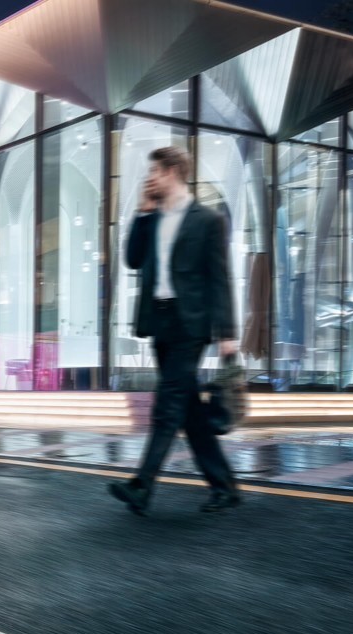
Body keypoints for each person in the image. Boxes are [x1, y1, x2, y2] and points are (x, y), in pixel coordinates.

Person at [108, 146, 241, 516]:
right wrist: (141, 211)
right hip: (160, 321)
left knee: (167, 406)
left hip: (191, 325)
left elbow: (220, 278)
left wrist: (227, 333)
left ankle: (142, 484)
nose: (149, 178)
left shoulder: (208, 220)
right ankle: (225, 485)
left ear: (172, 172)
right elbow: (133, 259)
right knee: (187, 411)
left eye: (154, 172)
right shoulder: (153, 217)